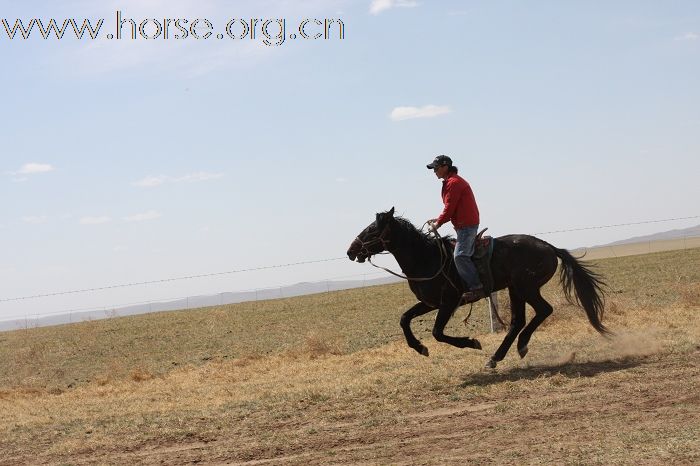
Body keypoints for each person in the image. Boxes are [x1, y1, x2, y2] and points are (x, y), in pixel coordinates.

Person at [426, 155, 485, 302]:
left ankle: (477, 288)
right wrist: (438, 219)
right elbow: (451, 208)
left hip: (467, 227)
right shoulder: (450, 182)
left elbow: (449, 208)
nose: (434, 171)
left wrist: (438, 224)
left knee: (460, 256)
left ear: (445, 167)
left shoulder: (454, 183)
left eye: (436, 168)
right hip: (463, 226)